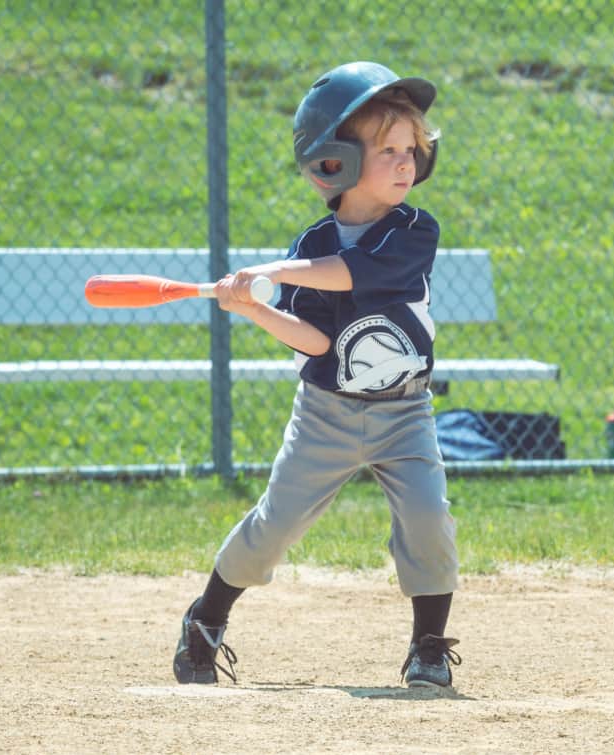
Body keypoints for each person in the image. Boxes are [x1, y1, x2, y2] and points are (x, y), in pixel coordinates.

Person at [173, 61, 460, 690]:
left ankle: (429, 646)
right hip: (326, 413)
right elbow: (315, 341)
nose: (406, 162)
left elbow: (351, 273)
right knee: (275, 524)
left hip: (405, 412)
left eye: (411, 149)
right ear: (336, 161)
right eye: (387, 149)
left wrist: (275, 270)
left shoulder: (413, 230)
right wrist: (255, 308)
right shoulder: (313, 245)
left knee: (427, 517)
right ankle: (205, 619)